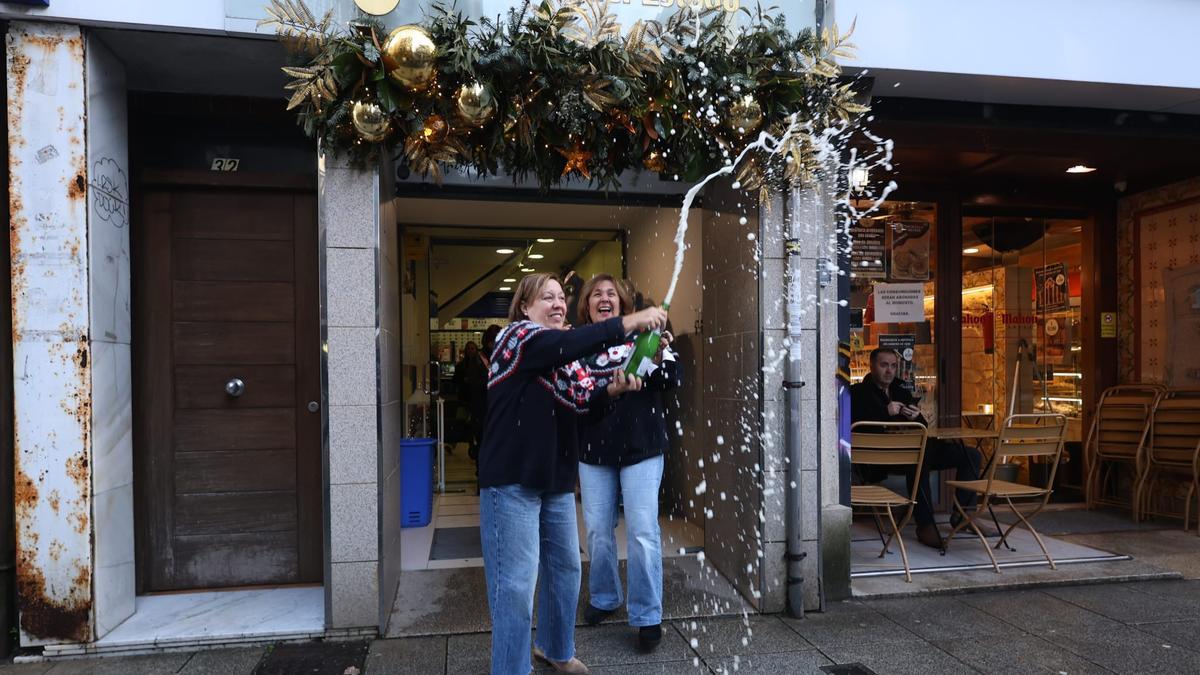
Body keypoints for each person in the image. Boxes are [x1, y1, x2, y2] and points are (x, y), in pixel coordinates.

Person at [479, 273, 668, 675]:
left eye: (562, 297)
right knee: (514, 586)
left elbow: (584, 404)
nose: (559, 303)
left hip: (555, 483)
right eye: (547, 297)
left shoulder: (562, 363)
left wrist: (613, 391)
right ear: (525, 308)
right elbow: (567, 342)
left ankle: (554, 647)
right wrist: (630, 321)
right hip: (511, 481)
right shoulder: (516, 339)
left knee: (566, 569)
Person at [575, 274, 681, 652]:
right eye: (596, 295)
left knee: (642, 532)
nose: (604, 299)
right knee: (597, 531)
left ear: (623, 303)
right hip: (594, 451)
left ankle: (648, 614)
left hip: (642, 449)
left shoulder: (645, 337)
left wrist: (661, 354)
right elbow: (580, 400)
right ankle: (604, 597)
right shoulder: (579, 345)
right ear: (587, 306)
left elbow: (670, 380)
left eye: (611, 294)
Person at [849, 347, 982, 549]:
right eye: (884, 365)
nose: (889, 371)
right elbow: (854, 426)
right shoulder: (857, 393)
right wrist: (884, 412)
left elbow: (922, 427)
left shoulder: (900, 391)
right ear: (872, 365)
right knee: (919, 459)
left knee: (970, 455)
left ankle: (963, 514)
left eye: (893, 366)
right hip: (881, 457)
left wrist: (916, 417)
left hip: (914, 450)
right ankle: (925, 524)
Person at [452, 342, 488, 460]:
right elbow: (455, 381)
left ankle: (472, 445)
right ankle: (462, 443)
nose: (471, 351)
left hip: (476, 400)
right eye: (469, 349)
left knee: (473, 424)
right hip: (465, 399)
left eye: (473, 348)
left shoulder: (480, 363)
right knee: (463, 423)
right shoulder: (461, 366)